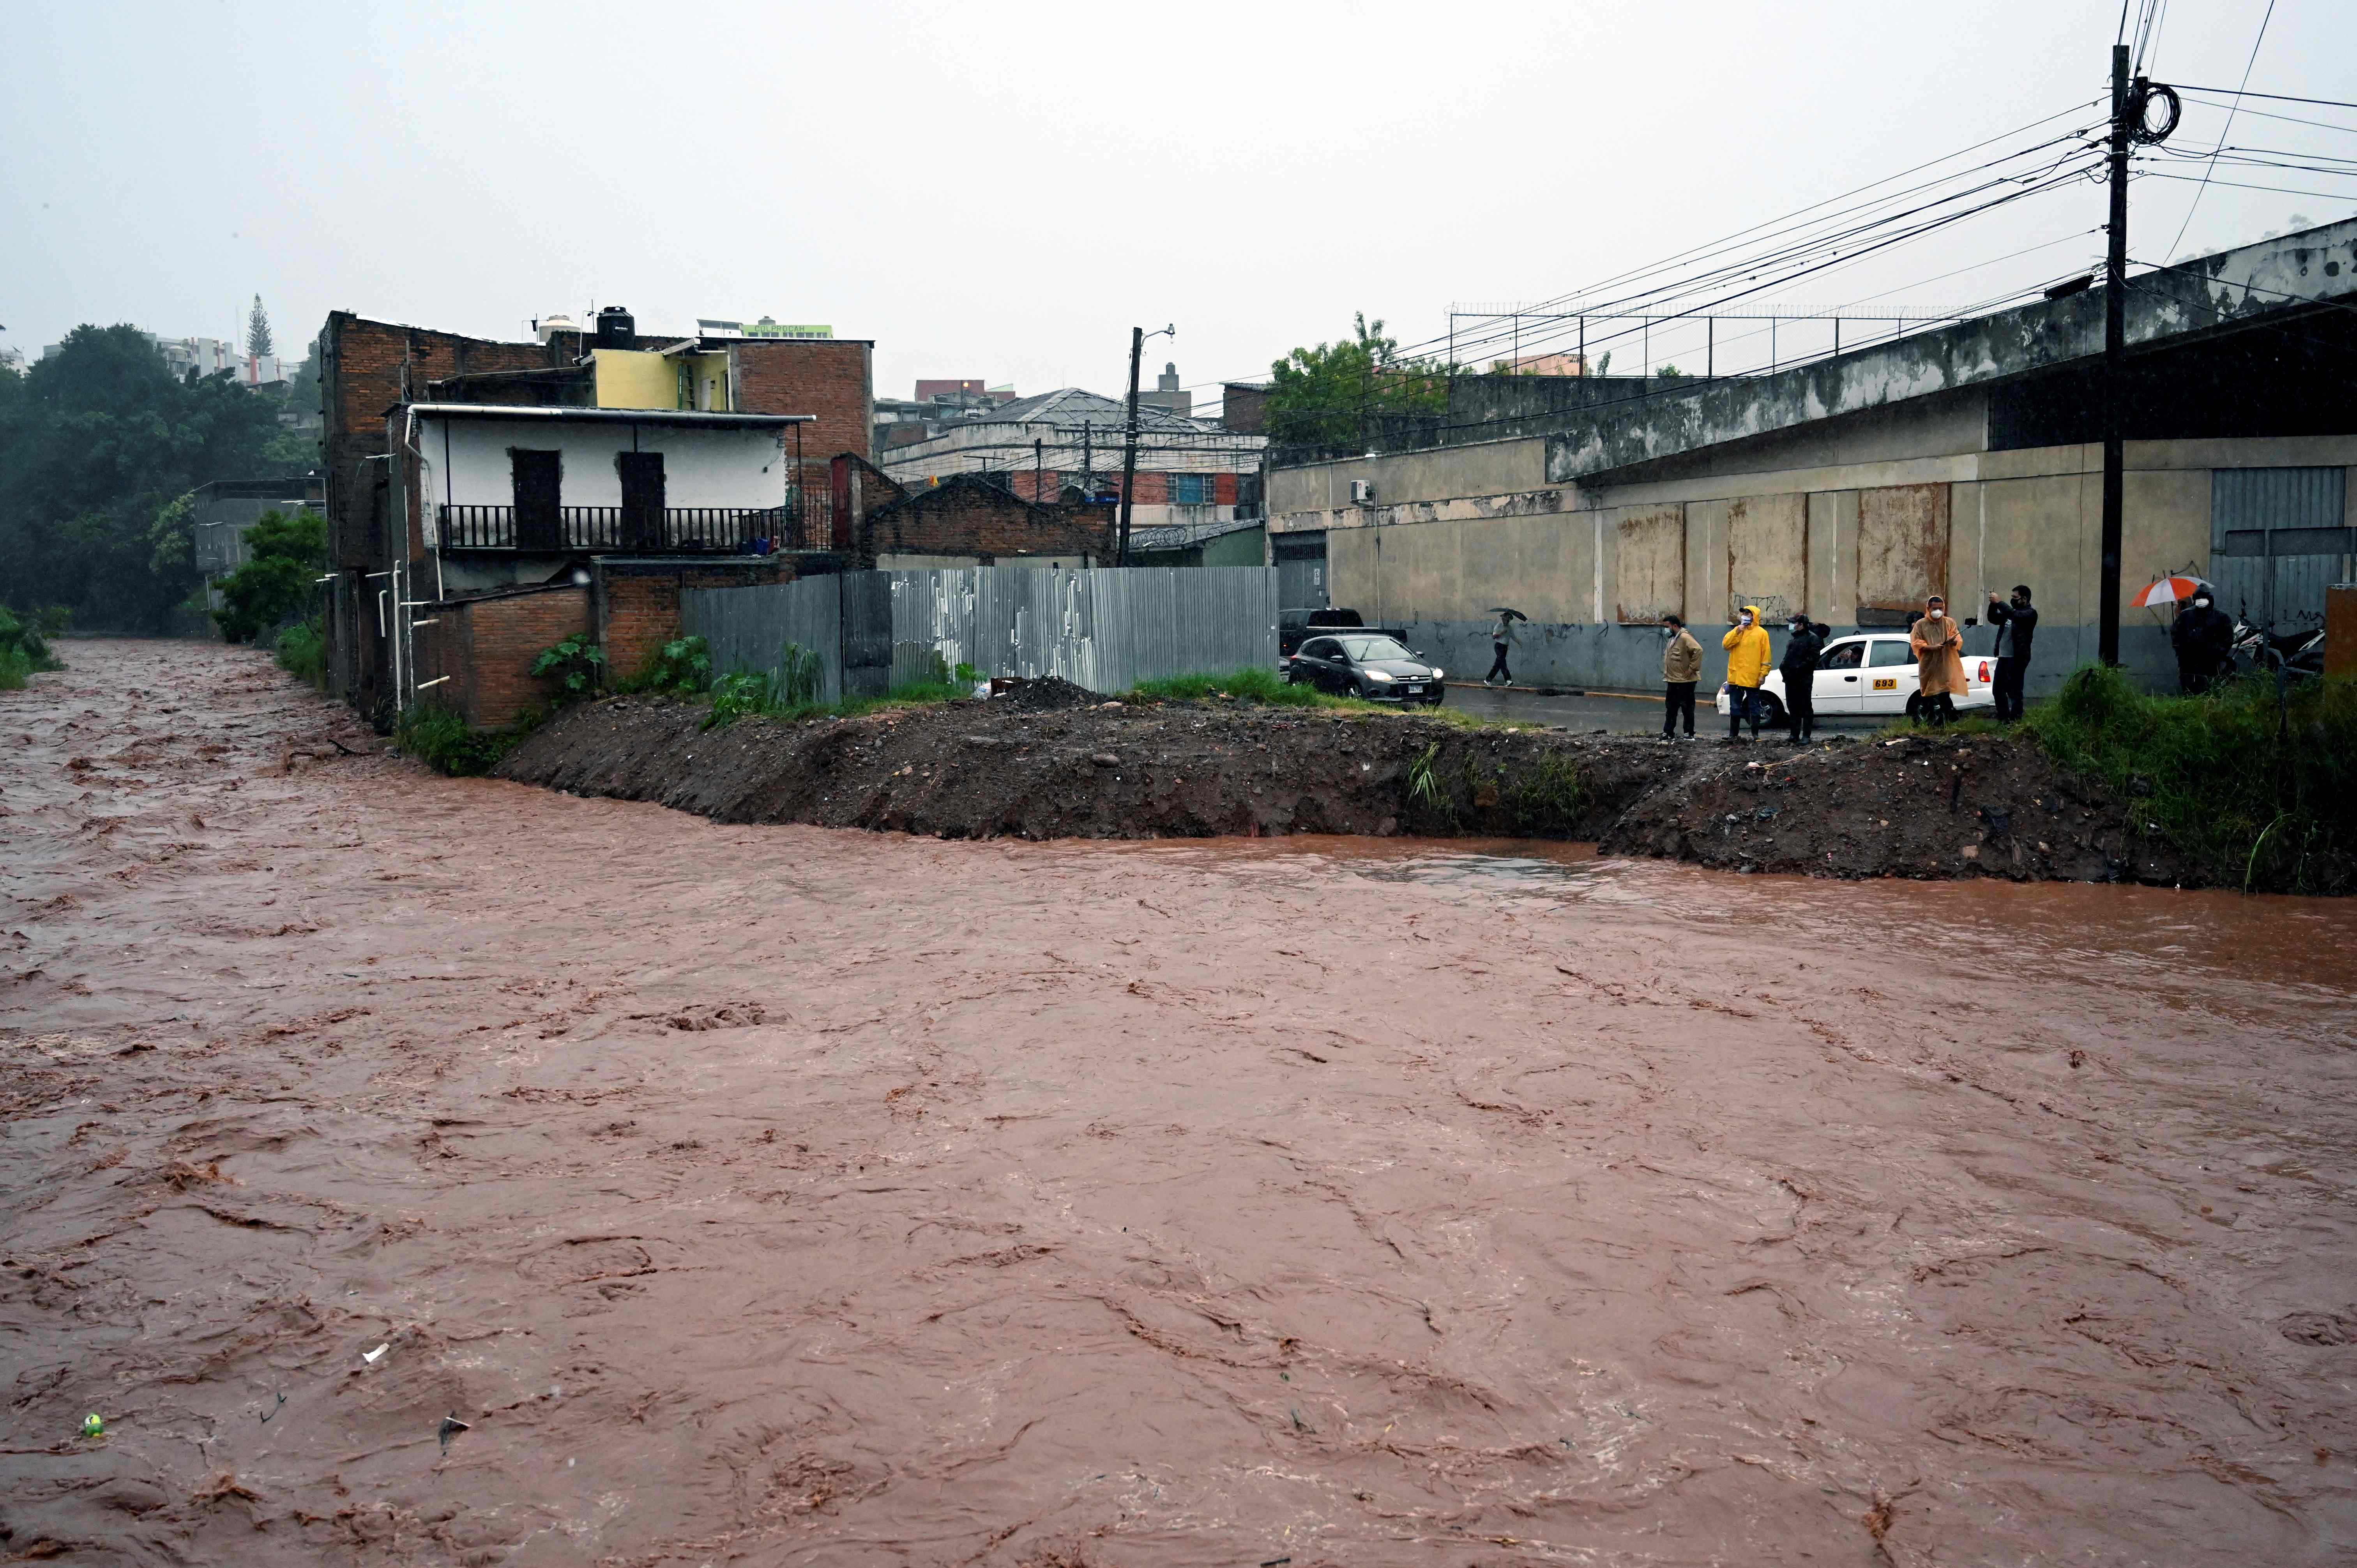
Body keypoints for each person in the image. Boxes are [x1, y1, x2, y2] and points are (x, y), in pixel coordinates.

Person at [1910, 594, 1966, 725]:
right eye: (1935, 609)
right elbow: (1916, 642)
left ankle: (1944, 724)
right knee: (1928, 696)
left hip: (1945, 663)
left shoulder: (1949, 622)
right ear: (1928, 608)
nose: (1938, 612)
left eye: (1941, 608)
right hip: (1928, 665)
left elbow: (1958, 639)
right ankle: (1929, 724)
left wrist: (1953, 642)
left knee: (1944, 696)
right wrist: (1930, 647)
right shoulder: (1921, 624)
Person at [1984, 584, 2037, 721]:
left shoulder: (2030, 614)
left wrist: (1999, 602)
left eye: (2015, 597)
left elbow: (2015, 615)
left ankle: (2016, 720)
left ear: (2024, 599)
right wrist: (1993, 604)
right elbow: (1993, 618)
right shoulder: (2009, 613)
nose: (2012, 600)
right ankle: (2004, 719)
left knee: (2015, 691)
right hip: (2004, 657)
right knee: (1998, 690)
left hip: (2018, 658)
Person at [2170, 588, 2235, 694]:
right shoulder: (2185, 616)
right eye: (2199, 598)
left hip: (2210, 661)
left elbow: (2228, 639)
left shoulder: (2220, 617)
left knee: (2209, 690)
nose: (2201, 600)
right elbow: (2176, 635)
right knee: (2190, 691)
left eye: (2204, 597)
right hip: (2189, 662)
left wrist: (2218, 653)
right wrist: (2182, 653)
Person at [1721, 604, 1771, 742]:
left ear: (1754, 616)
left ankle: (1755, 735)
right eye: (1743, 614)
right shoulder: (1738, 631)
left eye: (1748, 614)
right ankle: (1733, 735)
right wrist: (1737, 631)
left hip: (1752, 677)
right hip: (1736, 677)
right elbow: (1726, 645)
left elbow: (1766, 656)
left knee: (1754, 707)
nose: (1745, 616)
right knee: (1735, 708)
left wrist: (1763, 674)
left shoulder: (1762, 633)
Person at [1778, 611, 1828, 743]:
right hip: (1791, 679)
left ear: (1801, 625)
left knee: (1805, 707)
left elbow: (1813, 660)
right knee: (1792, 707)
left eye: (1794, 623)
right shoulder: (1794, 639)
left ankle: (1806, 736)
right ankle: (1794, 735)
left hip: (1803, 679)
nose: (1792, 626)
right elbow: (1788, 657)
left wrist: (1798, 668)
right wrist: (1784, 667)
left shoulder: (1813, 639)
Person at [1660, 614, 1701, 740]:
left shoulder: (1684, 637)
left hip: (1686, 681)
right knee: (1671, 708)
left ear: (1675, 626)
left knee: (1687, 708)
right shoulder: (1673, 638)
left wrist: (1692, 669)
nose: (1665, 630)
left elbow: (1698, 650)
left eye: (1667, 627)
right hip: (1673, 680)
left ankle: (1689, 734)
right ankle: (1668, 733)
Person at [1486, 611, 1517, 686]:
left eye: (1509, 620)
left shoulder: (1510, 628)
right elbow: (1494, 637)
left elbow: (1513, 637)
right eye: (1506, 620)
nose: (1507, 621)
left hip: (1505, 648)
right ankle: (1508, 680)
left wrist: (1519, 643)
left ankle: (1489, 679)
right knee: (1501, 663)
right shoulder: (1499, 626)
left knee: (1500, 664)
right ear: (1503, 619)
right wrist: (1502, 633)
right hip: (1499, 646)